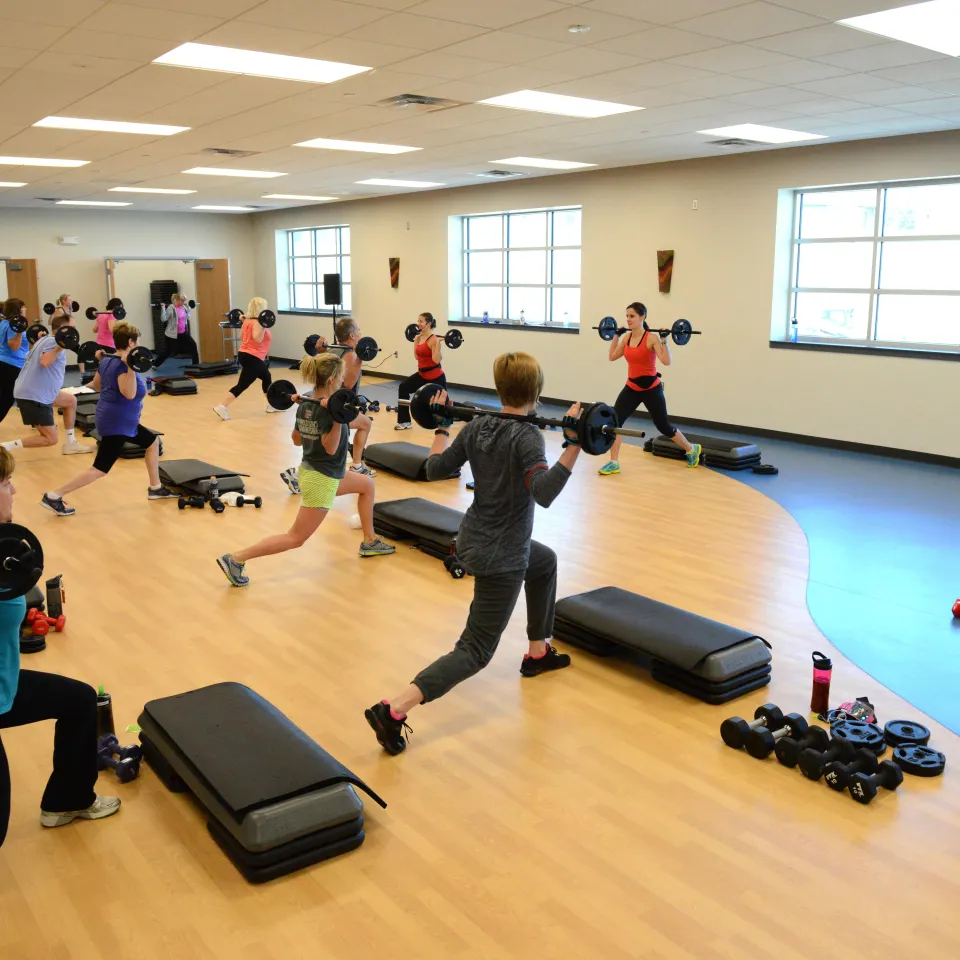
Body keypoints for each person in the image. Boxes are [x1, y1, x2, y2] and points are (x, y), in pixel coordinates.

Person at [365, 352, 579, 756]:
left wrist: (443, 427)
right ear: (536, 390)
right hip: (503, 554)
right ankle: (393, 709)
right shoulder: (527, 436)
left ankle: (537, 651)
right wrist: (574, 446)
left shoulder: (477, 423)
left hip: (473, 537)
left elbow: (434, 468)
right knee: (475, 650)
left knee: (545, 562)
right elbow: (545, 493)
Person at [0, 447, 120, 846]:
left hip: (6, 685)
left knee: (79, 700)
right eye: (4, 484)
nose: (14, 490)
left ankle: (67, 801)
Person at [218, 353, 395, 586]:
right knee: (295, 538)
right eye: (341, 375)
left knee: (367, 485)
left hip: (315, 472)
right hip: (322, 480)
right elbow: (331, 449)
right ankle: (236, 559)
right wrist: (336, 420)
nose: (343, 380)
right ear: (332, 379)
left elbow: (296, 440)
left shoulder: (305, 404)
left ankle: (370, 541)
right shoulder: (330, 412)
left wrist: (332, 416)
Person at [39, 322, 177, 517]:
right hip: (117, 422)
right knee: (99, 469)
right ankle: (54, 496)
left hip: (120, 419)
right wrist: (130, 367)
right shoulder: (122, 365)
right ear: (131, 342)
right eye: (137, 341)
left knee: (152, 443)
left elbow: (96, 385)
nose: (139, 344)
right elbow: (129, 394)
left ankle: (155, 488)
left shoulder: (107, 360)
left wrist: (104, 362)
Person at [597, 302, 701, 475]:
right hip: (631, 387)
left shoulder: (651, 338)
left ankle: (691, 449)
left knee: (663, 426)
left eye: (632, 316)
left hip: (651, 388)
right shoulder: (627, 338)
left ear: (642, 317)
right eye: (627, 316)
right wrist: (615, 335)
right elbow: (612, 356)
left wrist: (664, 339)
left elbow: (666, 361)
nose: (628, 319)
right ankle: (614, 462)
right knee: (615, 422)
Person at [279, 318, 375, 494]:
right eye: (359, 330)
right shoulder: (351, 355)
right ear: (352, 335)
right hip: (337, 406)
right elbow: (347, 385)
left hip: (321, 400)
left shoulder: (331, 350)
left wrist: (321, 349)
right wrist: (361, 358)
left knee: (316, 438)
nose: (361, 334)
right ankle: (356, 465)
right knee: (365, 424)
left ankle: (300, 474)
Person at [2, 311, 93, 456]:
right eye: (72, 327)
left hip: (38, 392)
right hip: (34, 395)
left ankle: (70, 444)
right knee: (50, 439)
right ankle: (5, 447)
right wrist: (60, 346)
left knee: (70, 401)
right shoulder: (54, 343)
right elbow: (44, 362)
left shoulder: (45, 340)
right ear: (62, 329)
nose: (74, 332)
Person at [213, 297, 276, 420]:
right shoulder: (258, 323)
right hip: (253, 357)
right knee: (242, 385)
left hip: (244, 354)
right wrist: (263, 326)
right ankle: (222, 406)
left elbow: (242, 337)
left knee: (266, 377)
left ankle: (271, 405)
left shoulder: (247, 321)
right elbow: (257, 339)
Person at [394, 312, 446, 431]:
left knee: (446, 404)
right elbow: (417, 357)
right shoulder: (419, 337)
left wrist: (437, 345)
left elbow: (436, 360)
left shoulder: (433, 340)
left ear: (428, 324)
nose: (418, 324)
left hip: (436, 377)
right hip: (422, 375)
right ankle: (405, 421)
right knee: (403, 387)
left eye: (421, 321)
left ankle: (471, 411)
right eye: (418, 321)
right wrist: (415, 342)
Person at [0, 299, 29, 423]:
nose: (26, 310)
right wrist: (19, 331)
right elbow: (14, 346)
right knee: (6, 400)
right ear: (18, 310)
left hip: (4, 363)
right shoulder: (14, 325)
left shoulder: (3, 323)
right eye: (23, 307)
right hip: (11, 366)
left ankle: (35, 421)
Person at [155, 293, 199, 367]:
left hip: (183, 332)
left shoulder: (184, 307)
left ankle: (196, 365)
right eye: (182, 300)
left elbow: (187, 317)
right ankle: (155, 364)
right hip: (172, 334)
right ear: (177, 299)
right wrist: (163, 309)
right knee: (168, 351)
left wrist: (190, 309)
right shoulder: (171, 308)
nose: (183, 302)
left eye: (184, 300)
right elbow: (163, 319)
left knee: (193, 345)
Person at [50, 294, 84, 378]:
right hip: (61, 337)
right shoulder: (60, 311)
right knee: (57, 354)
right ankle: (53, 374)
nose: (71, 302)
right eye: (69, 300)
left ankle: (83, 374)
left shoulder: (69, 310)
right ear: (63, 301)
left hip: (68, 336)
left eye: (71, 300)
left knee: (80, 351)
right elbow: (55, 324)